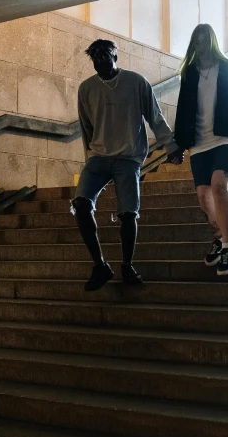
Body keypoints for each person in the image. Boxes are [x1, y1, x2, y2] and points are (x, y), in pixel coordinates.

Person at [73, 39, 184, 291]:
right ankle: (100, 265)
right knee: (81, 203)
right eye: (96, 63)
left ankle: (127, 265)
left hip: (128, 157)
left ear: (115, 58)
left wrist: (171, 145)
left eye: (105, 61)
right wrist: (89, 156)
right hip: (98, 157)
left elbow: (155, 117)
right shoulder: (86, 89)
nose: (101, 67)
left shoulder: (136, 83)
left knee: (128, 213)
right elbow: (86, 128)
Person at [174, 24, 228, 276]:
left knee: (218, 184)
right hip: (199, 141)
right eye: (196, 41)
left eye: (204, 40)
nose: (200, 46)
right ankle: (219, 236)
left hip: (226, 135)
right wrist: (178, 145)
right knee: (202, 195)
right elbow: (182, 110)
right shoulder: (189, 73)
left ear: (212, 42)